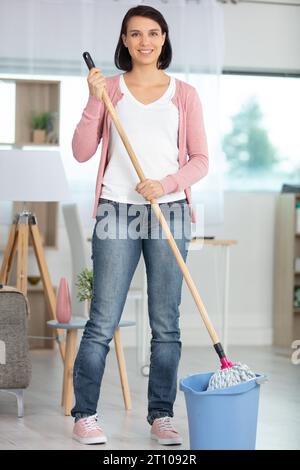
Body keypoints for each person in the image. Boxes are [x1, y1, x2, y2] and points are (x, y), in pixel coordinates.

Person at [71, 4, 208, 446]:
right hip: (116, 210)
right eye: (135, 34)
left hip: (167, 212)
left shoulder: (184, 94)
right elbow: (80, 151)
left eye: (153, 33)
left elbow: (200, 160)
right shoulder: (108, 88)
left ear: (163, 39)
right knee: (102, 319)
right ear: (125, 41)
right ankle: (85, 415)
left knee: (165, 322)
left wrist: (166, 183)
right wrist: (95, 103)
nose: (145, 41)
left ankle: (161, 415)